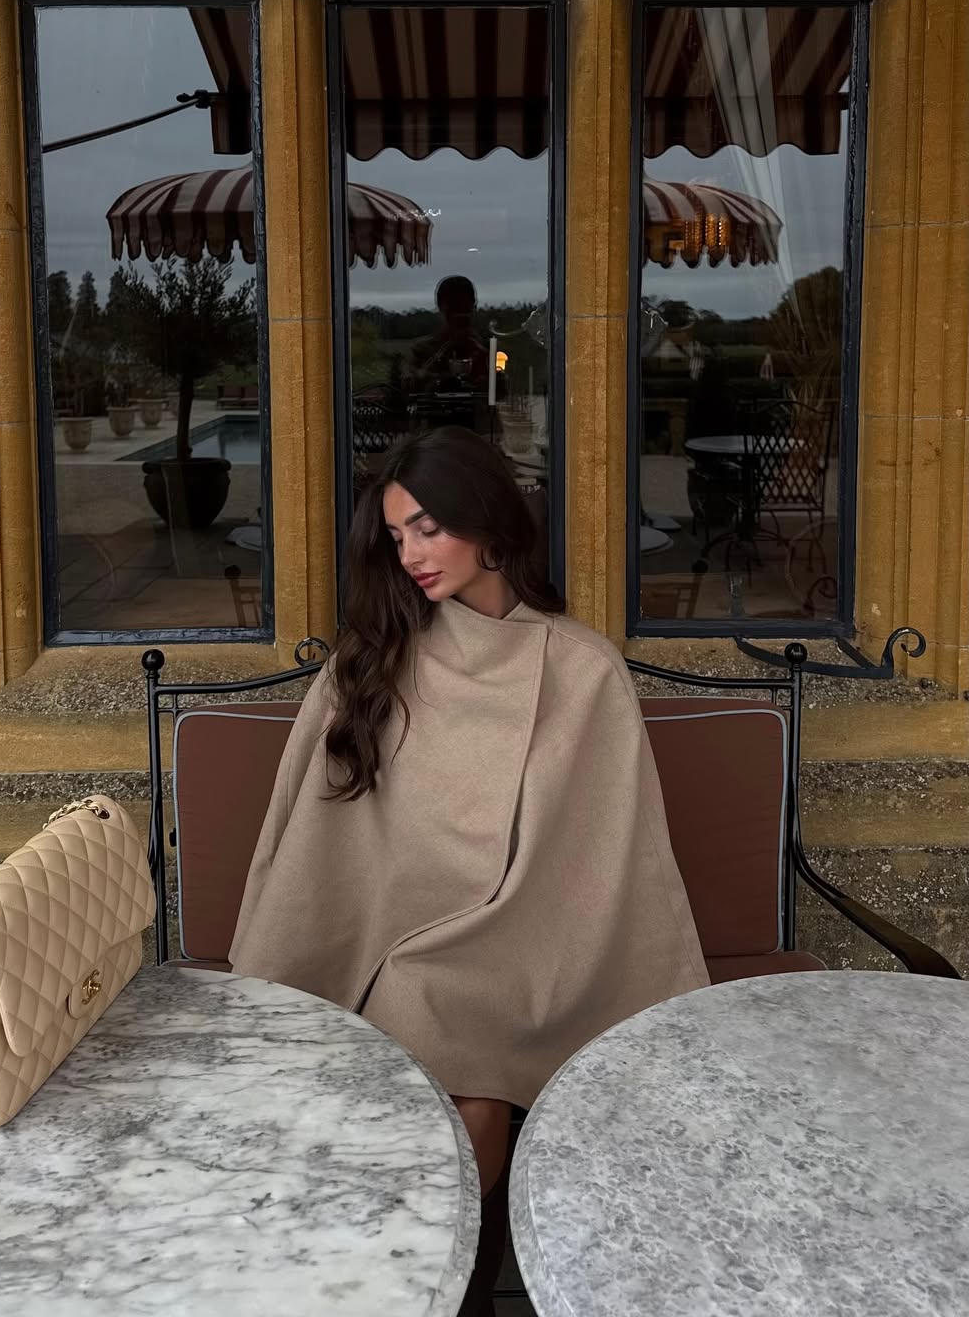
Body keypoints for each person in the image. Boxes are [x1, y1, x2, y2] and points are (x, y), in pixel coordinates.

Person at [228, 426, 708, 1314]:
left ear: (489, 523)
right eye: (396, 534)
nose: (411, 554)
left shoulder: (581, 668)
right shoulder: (374, 659)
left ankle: (447, 1292)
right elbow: (315, 838)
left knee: (472, 1091)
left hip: (526, 941)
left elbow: (606, 854)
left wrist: (496, 920)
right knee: (435, 1054)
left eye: (429, 528)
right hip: (395, 946)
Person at [408, 274, 491, 393]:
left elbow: (501, 392)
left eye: (465, 309)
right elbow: (411, 387)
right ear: (442, 309)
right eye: (454, 309)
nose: (460, 316)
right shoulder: (421, 350)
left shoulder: (487, 350)